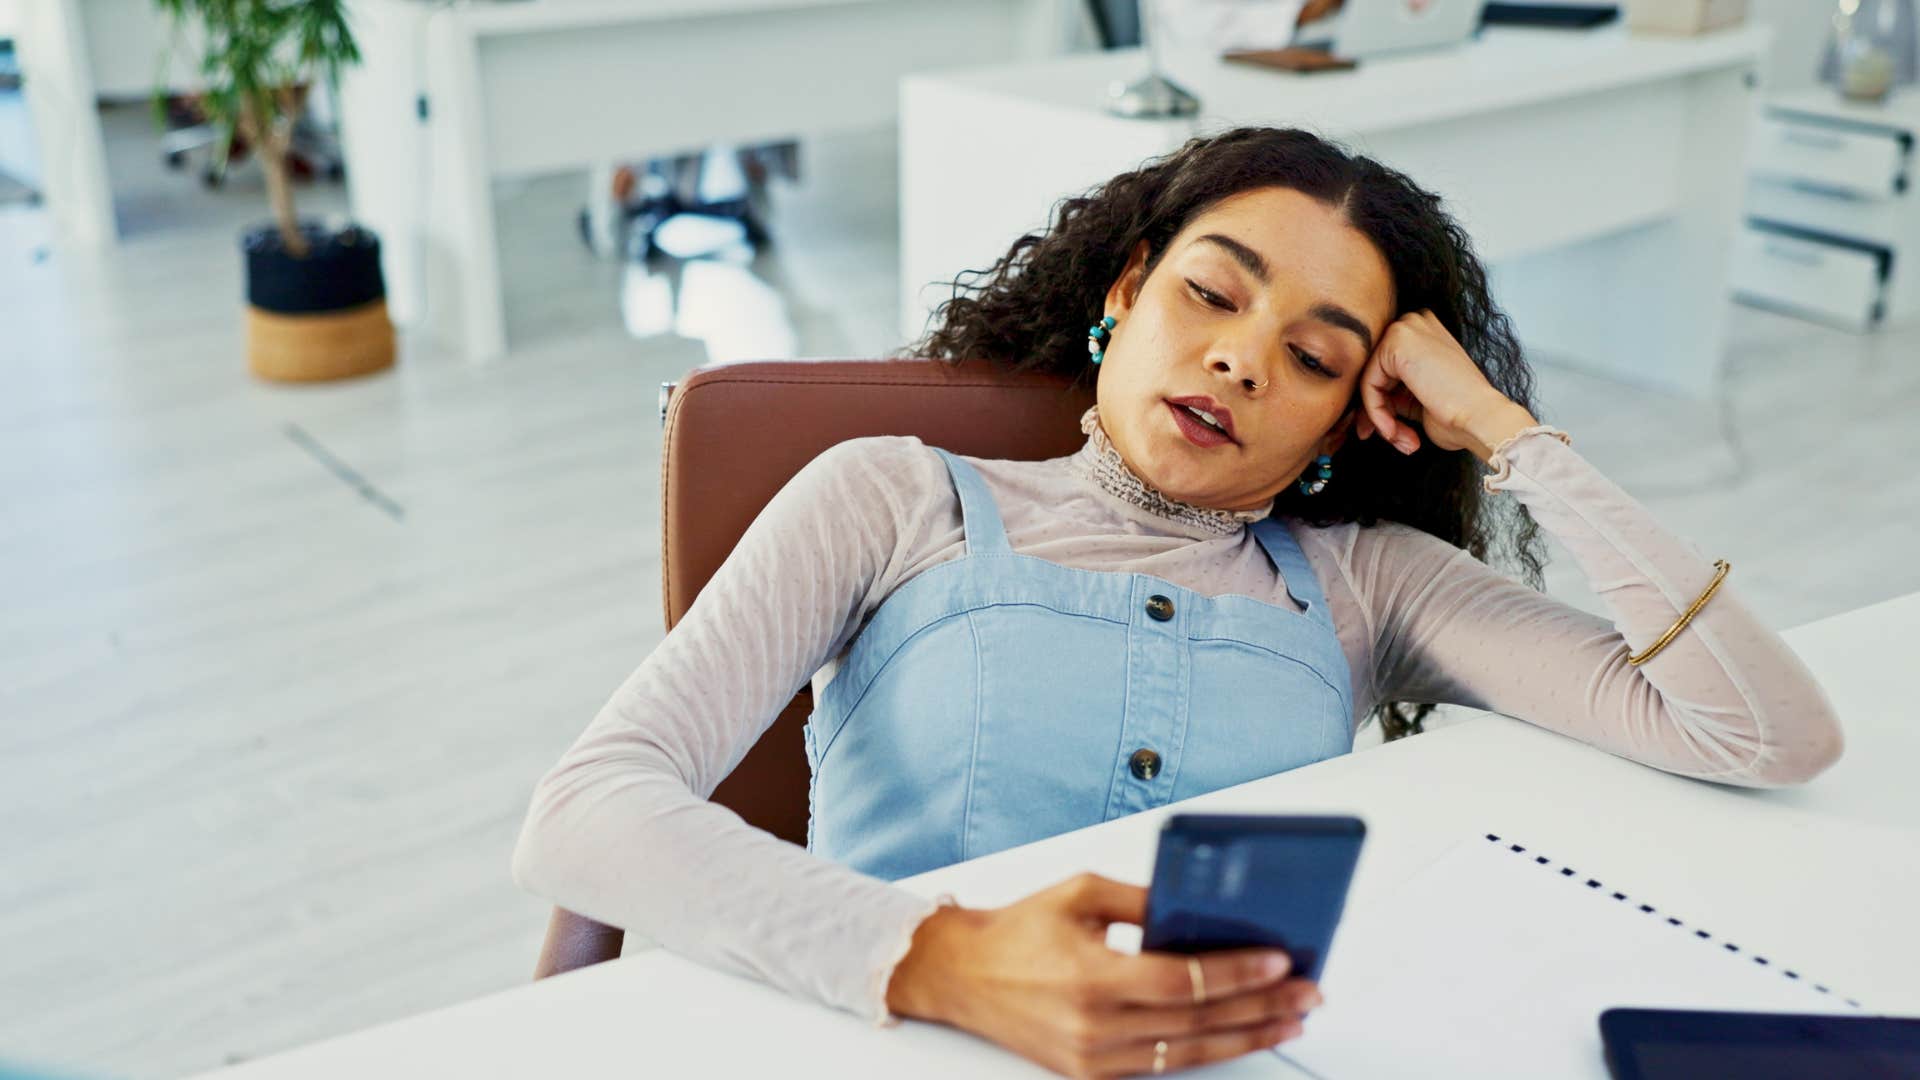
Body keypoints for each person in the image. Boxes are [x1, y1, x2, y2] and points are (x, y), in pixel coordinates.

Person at [512, 126, 1843, 1079]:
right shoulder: (895, 496)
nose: (1241, 359)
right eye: (1212, 294)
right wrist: (941, 957)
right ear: (1127, 290)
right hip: (891, 1043)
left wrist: (1502, 428)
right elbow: (588, 808)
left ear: (1347, 420)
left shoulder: (1369, 583)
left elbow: (1759, 733)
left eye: (1313, 357)